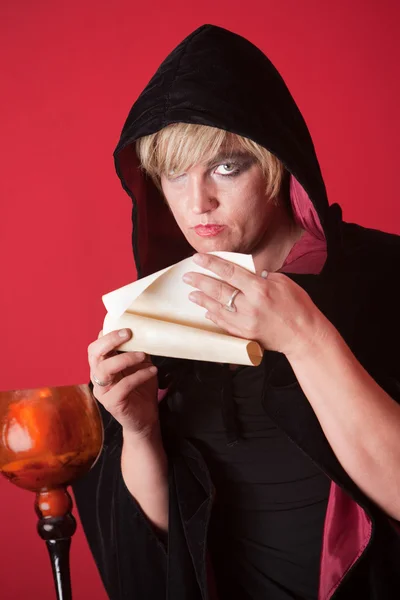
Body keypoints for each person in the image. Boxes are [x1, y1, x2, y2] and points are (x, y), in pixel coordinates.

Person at [73, 24, 400, 600]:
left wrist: (307, 339)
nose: (198, 203)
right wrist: (140, 433)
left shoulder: (386, 276)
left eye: (226, 167)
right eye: (175, 173)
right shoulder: (154, 317)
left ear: (277, 164)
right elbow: (159, 558)